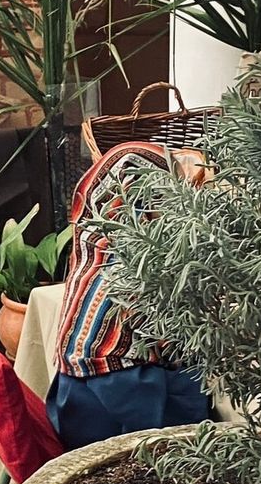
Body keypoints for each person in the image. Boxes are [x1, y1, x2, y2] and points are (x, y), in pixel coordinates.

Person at [49, 141, 212, 449]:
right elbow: (173, 337)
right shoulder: (137, 264)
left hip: (73, 401)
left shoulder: (92, 246)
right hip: (119, 403)